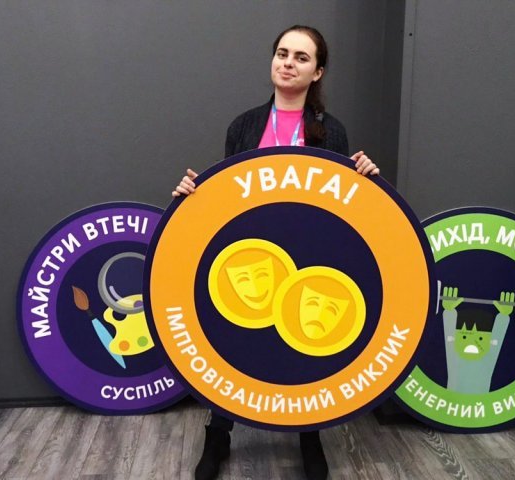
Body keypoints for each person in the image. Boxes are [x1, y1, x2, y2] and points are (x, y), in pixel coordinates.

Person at [172, 25, 380, 480]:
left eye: (301, 57)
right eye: (282, 53)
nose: (288, 63)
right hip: (252, 258)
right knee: (232, 341)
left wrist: (366, 180)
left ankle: (310, 434)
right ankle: (218, 434)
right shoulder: (243, 126)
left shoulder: (332, 131)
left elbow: (342, 206)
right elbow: (226, 199)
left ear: (317, 72)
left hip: (309, 258)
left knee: (304, 346)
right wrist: (193, 196)